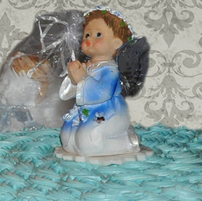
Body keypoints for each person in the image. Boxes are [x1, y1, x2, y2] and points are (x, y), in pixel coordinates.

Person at [59, 9, 141, 160]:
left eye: (98, 35)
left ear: (116, 43)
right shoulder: (87, 66)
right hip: (85, 112)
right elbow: (68, 94)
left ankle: (126, 141)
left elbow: (102, 93)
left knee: (88, 144)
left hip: (108, 112)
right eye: (87, 35)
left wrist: (82, 78)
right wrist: (73, 78)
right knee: (67, 139)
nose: (89, 39)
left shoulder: (110, 70)